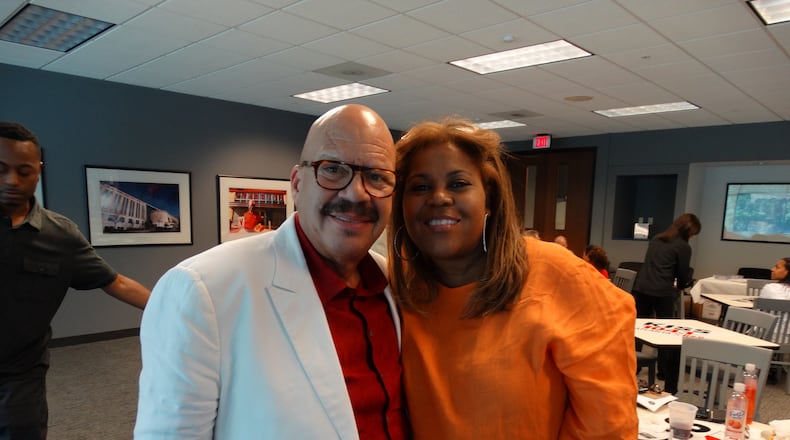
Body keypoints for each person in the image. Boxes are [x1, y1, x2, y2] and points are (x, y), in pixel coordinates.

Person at [134, 104, 408, 439]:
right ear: (296, 184)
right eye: (333, 169)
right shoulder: (202, 290)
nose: (356, 192)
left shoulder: (393, 284)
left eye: (378, 176)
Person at [389, 117, 637, 439]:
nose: (438, 197)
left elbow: (609, 424)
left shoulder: (558, 273)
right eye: (420, 187)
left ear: (489, 199)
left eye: (458, 183)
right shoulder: (396, 290)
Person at [0, 121, 151, 439]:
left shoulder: (60, 234)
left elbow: (116, 282)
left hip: (20, 372)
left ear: (39, 170)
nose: (11, 180)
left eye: (23, 171)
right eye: (0, 169)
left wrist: (179, 309)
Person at [632, 212, 701, 394]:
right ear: (689, 231)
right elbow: (683, 275)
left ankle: (635, 364)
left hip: (641, 287)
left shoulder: (657, 239)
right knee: (665, 334)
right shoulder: (683, 246)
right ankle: (663, 371)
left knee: (639, 330)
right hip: (662, 291)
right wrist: (684, 283)